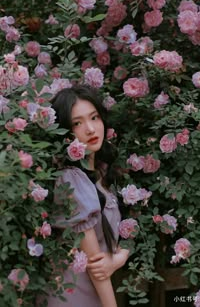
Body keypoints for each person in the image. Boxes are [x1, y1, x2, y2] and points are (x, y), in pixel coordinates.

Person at [46, 84, 129, 307]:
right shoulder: (70, 178)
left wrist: (120, 257)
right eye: (77, 123)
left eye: (94, 118)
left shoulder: (101, 173)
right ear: (64, 133)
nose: (91, 129)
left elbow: (110, 251)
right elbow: (96, 267)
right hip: (74, 297)